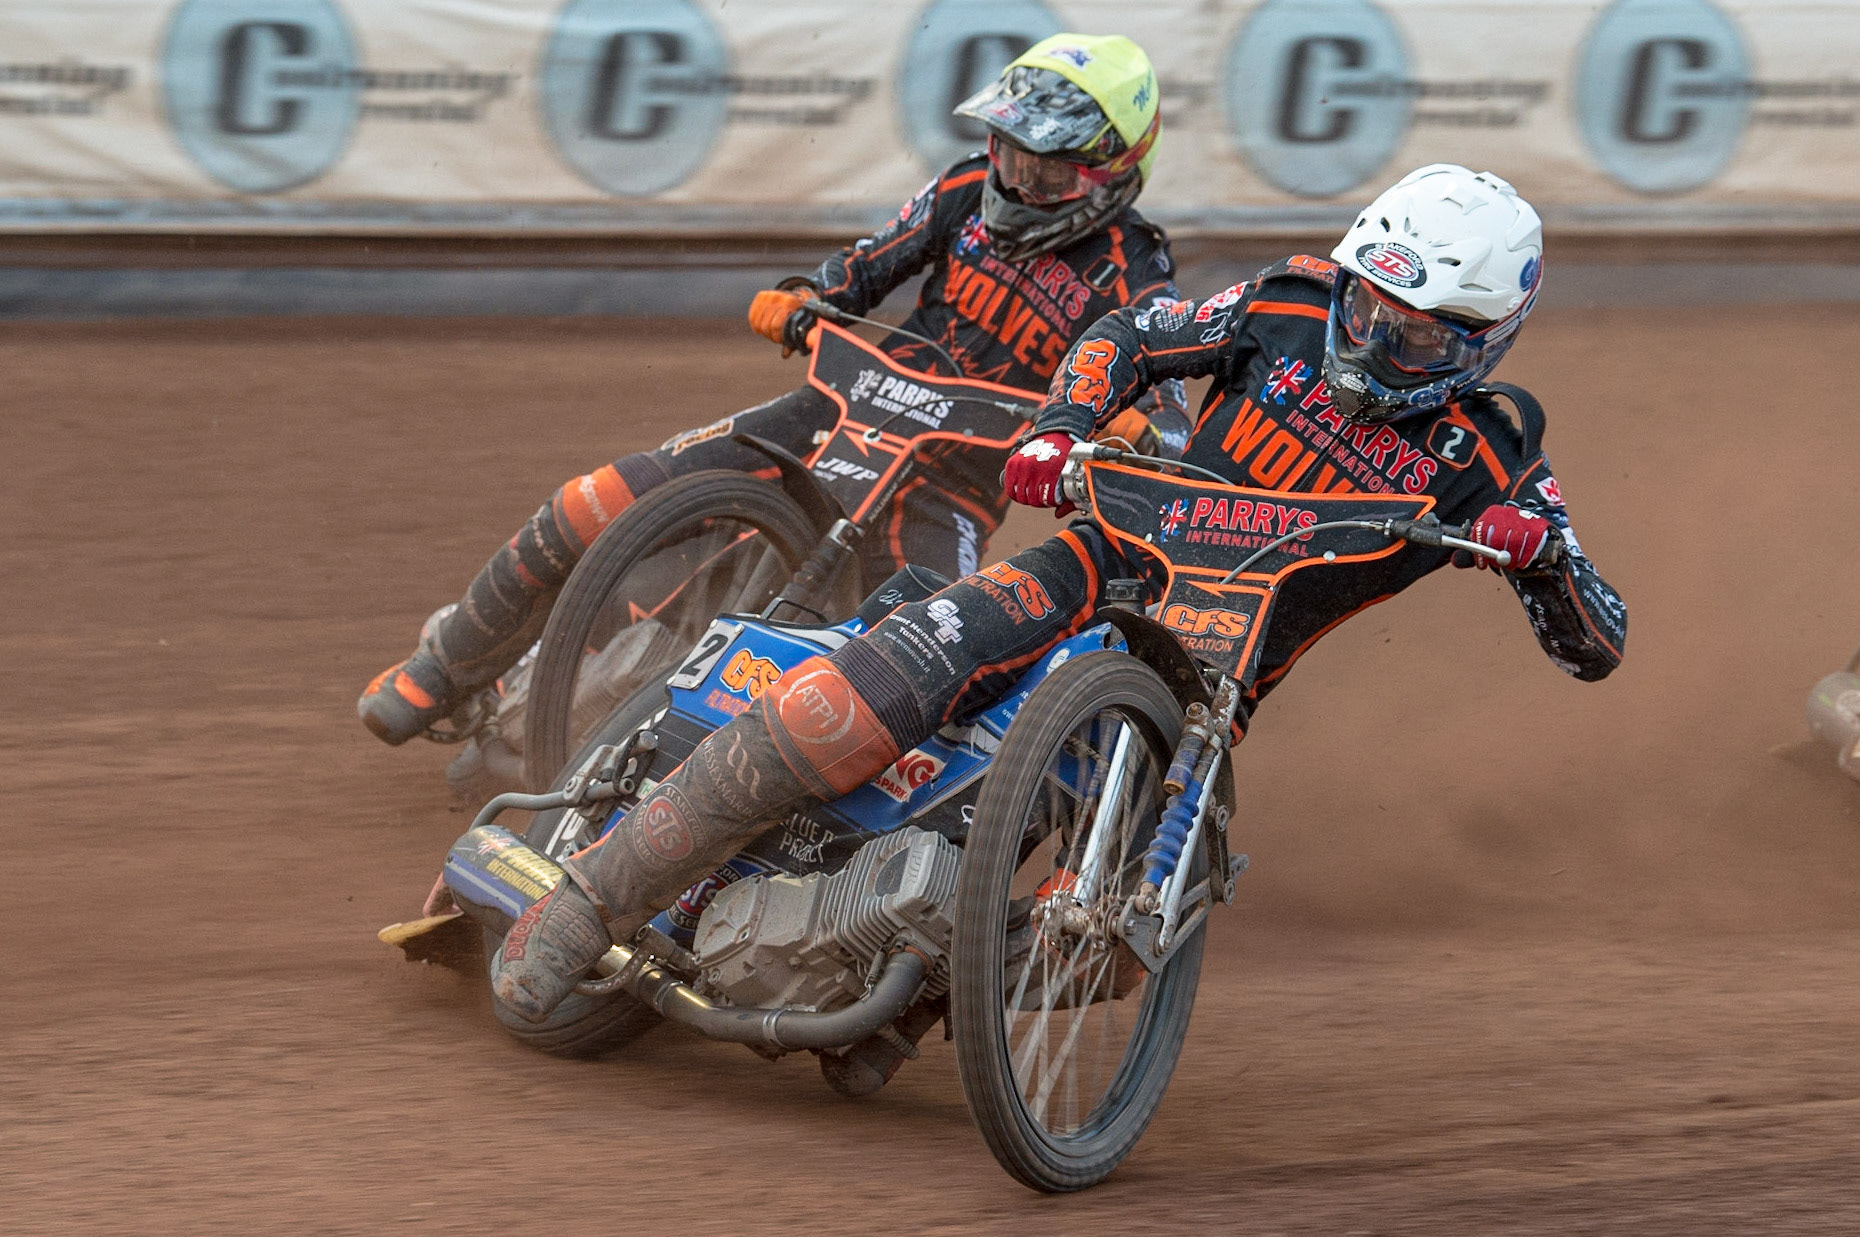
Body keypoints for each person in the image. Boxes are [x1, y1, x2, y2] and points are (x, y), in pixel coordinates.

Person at [489, 164, 1627, 1066]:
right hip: (1096, 558)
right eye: (1367, 306)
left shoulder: (1492, 453)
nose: (1371, 342)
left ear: (1486, 340)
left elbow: (1599, 638)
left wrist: (1540, 556)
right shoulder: (1286, 302)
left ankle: (908, 997)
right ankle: (589, 901)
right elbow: (1131, 336)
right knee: (850, 697)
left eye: (1416, 336)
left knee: (1118, 940)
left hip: (1202, 686)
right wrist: (1061, 425)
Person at [358, 33, 1190, 746]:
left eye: (1046, 173)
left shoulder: (1136, 269)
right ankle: (445, 667)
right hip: (833, 410)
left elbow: (1166, 400)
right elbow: (866, 264)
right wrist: (805, 295)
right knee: (594, 502)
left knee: (929, 664)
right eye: (1009, 154)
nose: (1016, 184)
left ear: (1112, 175)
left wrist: (1135, 430)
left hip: (949, 484)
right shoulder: (964, 190)